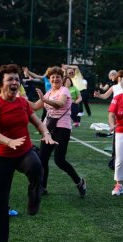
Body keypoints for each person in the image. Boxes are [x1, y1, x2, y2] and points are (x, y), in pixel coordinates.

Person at [0, 64, 56, 242]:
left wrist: (46, 133)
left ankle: (34, 198)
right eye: (10, 79)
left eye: (17, 79)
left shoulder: (22, 102)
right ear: (0, 83)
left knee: (36, 166)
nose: (14, 82)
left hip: (23, 150)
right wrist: (8, 142)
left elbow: (37, 121)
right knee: (0, 201)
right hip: (2, 155)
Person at [30, 66, 87, 197]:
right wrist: (18, 99)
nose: (55, 79)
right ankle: (42, 187)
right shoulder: (49, 92)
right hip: (48, 129)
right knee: (42, 158)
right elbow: (34, 106)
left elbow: (60, 104)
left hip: (63, 128)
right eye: (53, 77)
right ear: (49, 79)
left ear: (62, 79)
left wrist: (44, 100)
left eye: (58, 77)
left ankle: (80, 182)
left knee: (59, 160)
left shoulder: (65, 90)